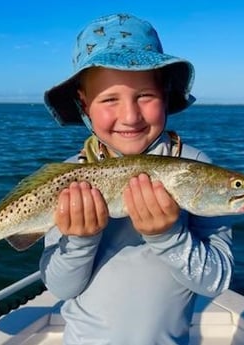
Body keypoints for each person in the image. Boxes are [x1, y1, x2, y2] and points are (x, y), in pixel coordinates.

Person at [40, 13, 233, 345]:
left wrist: (170, 236)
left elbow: (215, 282)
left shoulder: (196, 166)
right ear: (84, 105)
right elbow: (60, 288)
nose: (130, 116)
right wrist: (80, 241)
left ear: (166, 94)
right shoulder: (69, 177)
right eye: (109, 99)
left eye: (145, 96)